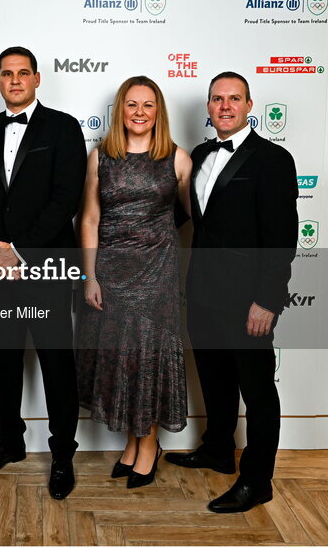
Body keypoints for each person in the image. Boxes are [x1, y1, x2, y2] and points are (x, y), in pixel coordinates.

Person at [165, 71, 298, 513]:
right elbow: (188, 217)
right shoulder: (200, 153)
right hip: (202, 292)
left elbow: (282, 238)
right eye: (217, 99)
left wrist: (268, 300)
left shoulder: (273, 159)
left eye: (234, 99)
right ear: (208, 107)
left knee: (258, 391)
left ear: (249, 104)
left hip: (248, 300)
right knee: (215, 380)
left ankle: (257, 480)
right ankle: (219, 449)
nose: (225, 106)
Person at [0, 46, 87, 500]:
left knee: (57, 363)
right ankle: (10, 442)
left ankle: (62, 453)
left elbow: (65, 199)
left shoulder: (64, 128)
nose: (15, 80)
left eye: (23, 73)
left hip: (47, 267)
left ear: (37, 79)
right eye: (6, 74)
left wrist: (20, 252)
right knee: (5, 358)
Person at [76, 76, 193, 489]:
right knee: (123, 358)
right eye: (131, 104)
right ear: (120, 111)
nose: (139, 112)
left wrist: (154, 239)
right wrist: (90, 275)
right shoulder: (100, 158)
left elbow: (190, 217)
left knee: (148, 357)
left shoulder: (178, 159)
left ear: (158, 111)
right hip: (110, 270)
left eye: (147, 105)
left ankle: (149, 446)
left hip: (156, 274)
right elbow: (89, 219)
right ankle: (132, 443)